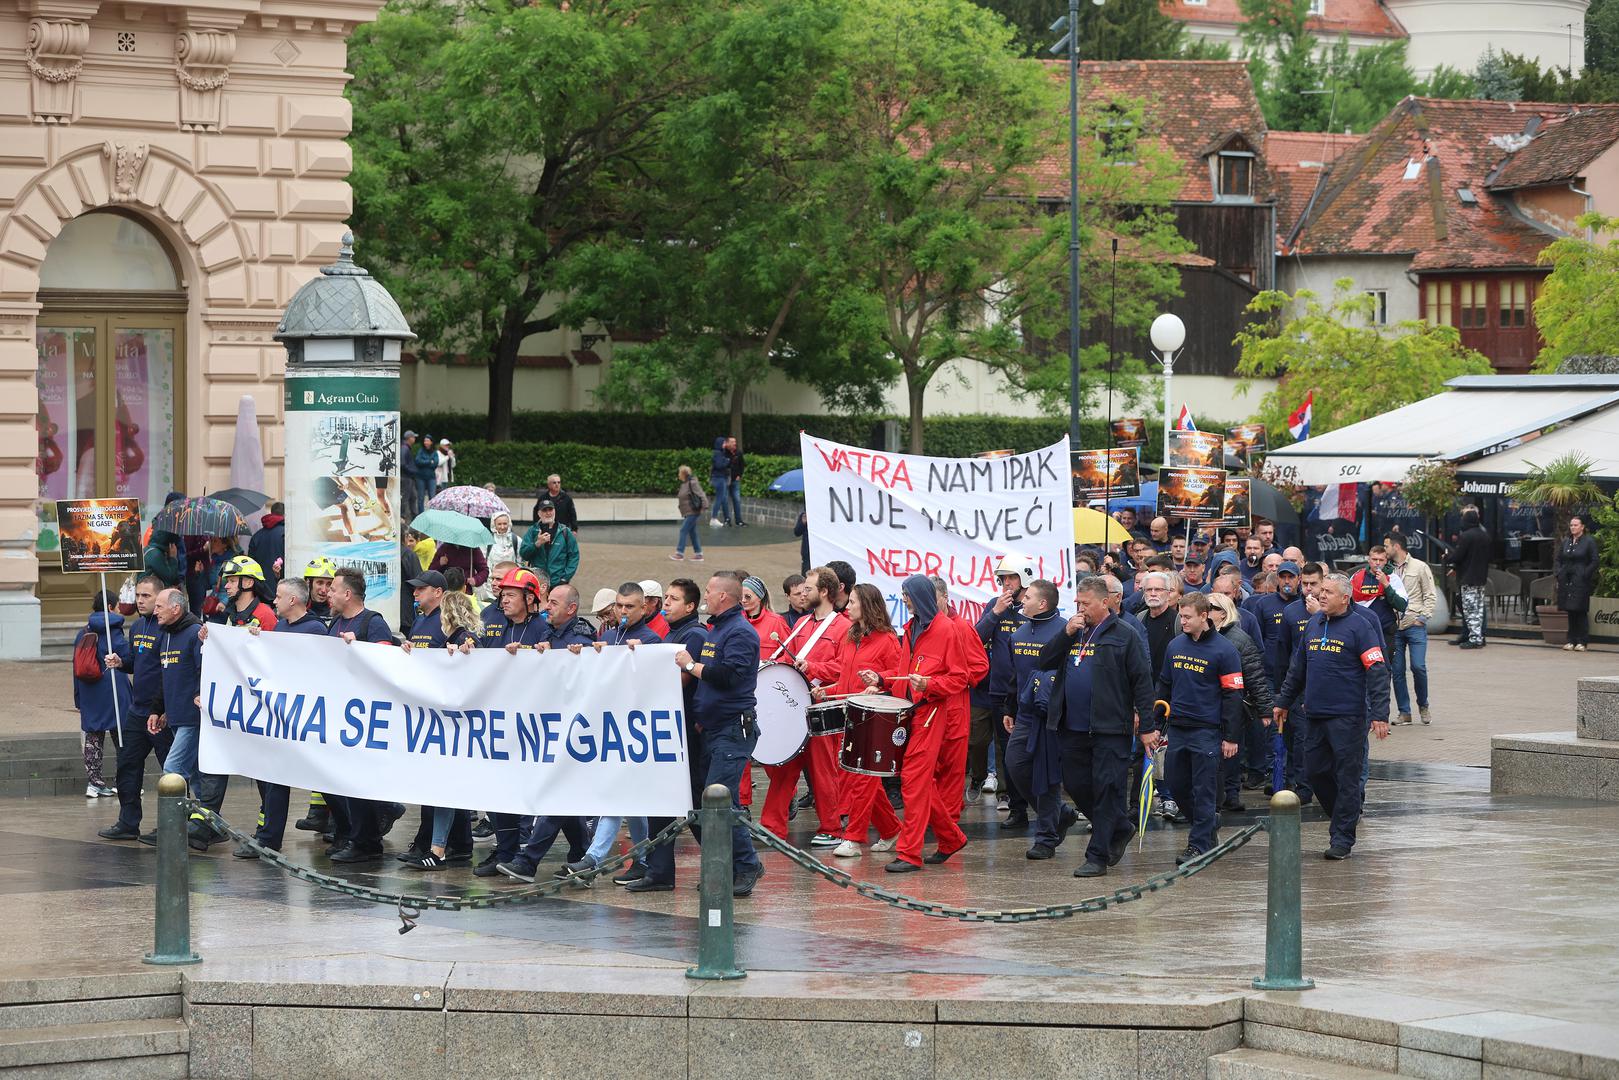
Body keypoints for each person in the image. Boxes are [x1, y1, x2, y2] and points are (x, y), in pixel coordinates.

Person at [634, 573, 765, 894]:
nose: (706, 594)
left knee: (720, 802)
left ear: (724, 597)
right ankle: (725, 866)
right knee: (707, 801)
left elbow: (728, 676)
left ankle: (747, 865)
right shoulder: (719, 629)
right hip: (713, 729)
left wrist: (690, 666)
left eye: (709, 590)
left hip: (733, 729)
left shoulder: (740, 633)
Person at [1034, 577, 1156, 878]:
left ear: (1105, 602)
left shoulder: (1125, 635)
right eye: (1078, 603)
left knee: (1106, 789)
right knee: (1075, 785)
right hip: (1072, 727)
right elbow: (1044, 660)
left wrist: (1147, 727)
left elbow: (1142, 681)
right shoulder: (1073, 632)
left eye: (1086, 604)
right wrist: (1064, 633)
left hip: (1110, 727)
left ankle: (1097, 855)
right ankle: (1120, 827)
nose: (1081, 609)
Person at [1275, 573, 1391, 860]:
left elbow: (1377, 671)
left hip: (1348, 717)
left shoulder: (1361, 627)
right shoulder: (1314, 623)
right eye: (1320, 590)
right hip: (1314, 714)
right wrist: (1283, 701)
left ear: (1345, 597)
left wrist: (1380, 713)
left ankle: (1342, 837)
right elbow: (1297, 668)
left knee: (1347, 777)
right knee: (1315, 772)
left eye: (1327, 591)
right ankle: (1341, 813)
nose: (1321, 595)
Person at [867, 575, 969, 873]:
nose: (904, 599)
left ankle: (909, 853)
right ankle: (950, 839)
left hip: (932, 712)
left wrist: (930, 683)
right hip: (912, 712)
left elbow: (960, 678)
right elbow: (906, 671)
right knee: (921, 782)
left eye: (907, 594)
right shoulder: (912, 628)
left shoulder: (947, 630)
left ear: (920, 596)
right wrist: (883, 680)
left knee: (912, 779)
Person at [1144, 592, 1244, 865]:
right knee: (1176, 785)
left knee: (1204, 790)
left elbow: (1233, 695)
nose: (1183, 621)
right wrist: (1154, 725)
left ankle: (1198, 845)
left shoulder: (1225, 650)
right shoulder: (1175, 645)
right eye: (1181, 616)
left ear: (1205, 616)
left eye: (1188, 617)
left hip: (1207, 731)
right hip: (1177, 728)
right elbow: (1163, 686)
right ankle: (1207, 824)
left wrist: (1231, 736)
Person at [233, 578, 329, 859]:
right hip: (282, 714)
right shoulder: (282, 627)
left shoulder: (315, 629)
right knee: (272, 775)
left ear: (293, 600)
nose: (273, 601)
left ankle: (364, 825)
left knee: (327, 781)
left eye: (278, 597)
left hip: (305, 715)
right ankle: (268, 836)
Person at [809, 583, 903, 858]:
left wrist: (879, 683)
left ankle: (853, 837)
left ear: (867, 606)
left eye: (852, 602)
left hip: (875, 720)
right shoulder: (851, 637)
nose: (846, 606)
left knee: (862, 780)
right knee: (863, 781)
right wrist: (826, 692)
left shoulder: (887, 640)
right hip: (852, 717)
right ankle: (891, 830)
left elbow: (897, 676)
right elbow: (846, 680)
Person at [997, 579, 1077, 861]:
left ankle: (1046, 838)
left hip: (1055, 716)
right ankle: (1060, 815)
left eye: (1027, 597)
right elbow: (1015, 675)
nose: (1022, 600)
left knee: (1047, 777)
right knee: (1015, 765)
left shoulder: (1067, 630)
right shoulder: (1018, 634)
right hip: (1025, 713)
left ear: (1042, 603)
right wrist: (1010, 708)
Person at [324, 568, 398, 863]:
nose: (328, 594)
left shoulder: (373, 622)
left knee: (357, 779)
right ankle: (351, 831)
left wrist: (361, 648)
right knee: (332, 778)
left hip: (364, 713)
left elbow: (385, 661)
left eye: (332, 589)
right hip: (339, 708)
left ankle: (366, 841)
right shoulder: (335, 623)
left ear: (348, 594)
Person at [145, 589, 213, 848]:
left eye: (160, 606)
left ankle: (170, 828)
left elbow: (204, 670)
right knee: (194, 776)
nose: (155, 610)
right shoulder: (167, 635)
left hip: (192, 718)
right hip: (175, 716)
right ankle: (209, 825)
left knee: (172, 770)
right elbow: (166, 678)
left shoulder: (194, 633)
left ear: (176, 608)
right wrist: (158, 709)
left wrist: (199, 693)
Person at [975, 554, 1035, 824]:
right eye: (1002, 579)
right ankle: (1016, 807)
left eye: (1011, 578)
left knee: (1030, 753)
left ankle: (1037, 803)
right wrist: (995, 612)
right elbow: (976, 638)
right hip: (1000, 693)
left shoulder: (1035, 605)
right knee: (1006, 751)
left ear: (1024, 579)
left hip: (1029, 694)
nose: (1006, 584)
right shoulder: (994, 605)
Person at [1207, 592, 1274, 814]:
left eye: (1210, 607)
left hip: (1233, 706)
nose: (1204, 610)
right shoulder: (1201, 636)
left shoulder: (1240, 639)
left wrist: (1265, 710)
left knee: (1231, 750)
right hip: (1207, 705)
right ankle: (1222, 794)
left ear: (1222, 613)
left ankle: (1231, 794)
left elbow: (1255, 676)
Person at [71, 591, 129, 799]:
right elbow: (126, 655)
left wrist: (78, 696)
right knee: (121, 736)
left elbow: (76, 665)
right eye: (119, 605)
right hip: (114, 688)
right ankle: (126, 782)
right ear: (111, 607)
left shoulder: (83, 632)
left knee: (94, 736)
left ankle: (94, 783)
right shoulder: (114, 630)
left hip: (89, 690)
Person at [1383, 534, 1435, 725]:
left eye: (1386, 546)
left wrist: (1423, 618)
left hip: (1414, 625)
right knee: (1397, 671)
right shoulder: (1386, 570)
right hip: (1395, 626)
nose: (1384, 549)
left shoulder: (1419, 567)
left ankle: (1423, 705)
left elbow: (1430, 594)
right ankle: (1404, 712)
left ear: (1396, 547)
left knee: (1418, 666)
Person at [1444, 506, 1490, 649]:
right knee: (1478, 608)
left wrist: (1447, 558)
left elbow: (1458, 556)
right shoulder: (1485, 535)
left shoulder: (1466, 536)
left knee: (1470, 609)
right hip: (1481, 577)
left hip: (1468, 578)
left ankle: (1474, 639)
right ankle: (1479, 637)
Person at [1556, 513, 1598, 653]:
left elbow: (1594, 560)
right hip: (1567, 580)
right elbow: (1559, 558)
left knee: (1580, 610)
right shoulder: (1567, 541)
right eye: (1571, 525)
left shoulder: (1589, 542)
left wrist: (1585, 574)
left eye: (1576, 525)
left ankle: (1582, 641)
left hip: (1580, 580)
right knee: (1570, 610)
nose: (1573, 527)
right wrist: (1559, 573)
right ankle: (1570, 640)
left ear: (1582, 527)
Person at [209, 555, 277, 630]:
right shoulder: (231, 615)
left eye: (232, 581)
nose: (226, 586)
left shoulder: (265, 615)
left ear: (249, 583)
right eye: (227, 581)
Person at [521, 498, 579, 585]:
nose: (548, 513)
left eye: (550, 509)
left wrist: (565, 578)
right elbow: (524, 554)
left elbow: (574, 556)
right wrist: (537, 544)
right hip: (538, 582)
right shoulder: (533, 531)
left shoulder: (565, 531)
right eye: (544, 510)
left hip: (558, 582)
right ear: (539, 513)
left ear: (554, 511)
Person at [599, 582, 665, 645]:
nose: (623, 611)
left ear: (643, 609)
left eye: (629, 606)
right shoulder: (606, 636)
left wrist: (642, 650)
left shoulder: (651, 640)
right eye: (619, 606)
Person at [247, 502, 285, 593]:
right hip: (282, 588)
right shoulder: (287, 534)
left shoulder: (256, 536)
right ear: (284, 514)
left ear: (271, 513)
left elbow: (251, 565)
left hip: (261, 589)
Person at [673, 464, 707, 561]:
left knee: (683, 530)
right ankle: (699, 554)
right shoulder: (684, 484)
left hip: (693, 511)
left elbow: (701, 494)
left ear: (683, 474)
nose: (678, 475)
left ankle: (679, 553)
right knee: (693, 533)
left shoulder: (692, 483)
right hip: (688, 512)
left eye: (679, 473)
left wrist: (704, 507)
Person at [708, 437, 734, 527]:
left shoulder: (719, 453)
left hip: (720, 478)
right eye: (723, 443)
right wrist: (727, 461)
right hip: (719, 478)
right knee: (719, 498)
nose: (724, 445)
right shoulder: (718, 453)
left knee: (720, 498)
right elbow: (719, 465)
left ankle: (714, 518)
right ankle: (713, 518)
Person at [400, 430, 422, 519]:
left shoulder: (406, 448)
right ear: (409, 438)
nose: (414, 439)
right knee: (406, 497)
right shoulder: (405, 448)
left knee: (413, 497)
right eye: (413, 437)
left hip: (409, 477)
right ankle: (403, 517)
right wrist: (412, 471)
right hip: (406, 477)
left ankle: (414, 516)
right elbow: (402, 464)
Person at [726, 436, 746, 527]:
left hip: (735, 480)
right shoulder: (724, 453)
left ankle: (739, 521)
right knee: (725, 500)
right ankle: (727, 520)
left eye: (735, 441)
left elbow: (742, 465)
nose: (734, 443)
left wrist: (739, 475)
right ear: (728, 443)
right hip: (725, 480)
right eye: (732, 442)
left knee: (737, 500)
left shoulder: (738, 453)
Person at [414, 435, 440, 504]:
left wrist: (424, 462)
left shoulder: (435, 452)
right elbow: (417, 461)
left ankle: (432, 514)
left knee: (432, 497)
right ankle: (421, 514)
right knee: (420, 498)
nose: (426, 442)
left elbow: (435, 463)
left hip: (431, 477)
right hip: (420, 477)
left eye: (427, 441)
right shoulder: (420, 451)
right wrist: (429, 461)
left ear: (431, 442)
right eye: (425, 441)